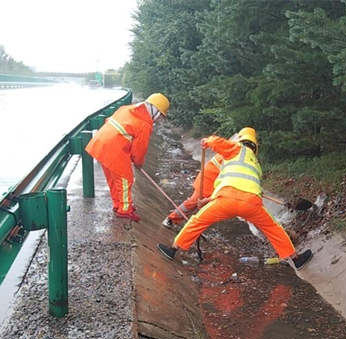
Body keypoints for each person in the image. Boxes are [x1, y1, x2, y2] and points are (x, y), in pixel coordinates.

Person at [157, 128, 314, 270]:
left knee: (197, 222)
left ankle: (173, 250)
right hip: (252, 203)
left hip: (225, 200)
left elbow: (217, 143)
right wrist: (207, 200)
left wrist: (207, 141)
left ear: (240, 140)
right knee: (274, 229)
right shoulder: (256, 164)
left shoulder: (236, 148)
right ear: (255, 147)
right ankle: (296, 259)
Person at [85, 93, 169, 221]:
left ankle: (118, 204)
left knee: (113, 179)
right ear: (155, 111)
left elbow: (109, 121)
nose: (158, 119)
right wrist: (138, 163)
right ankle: (125, 210)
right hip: (114, 149)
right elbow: (139, 149)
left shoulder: (126, 109)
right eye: (160, 116)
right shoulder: (144, 124)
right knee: (125, 179)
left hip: (100, 143)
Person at [161, 150, 224, 228]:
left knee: (205, 208)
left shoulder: (234, 151)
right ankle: (171, 219)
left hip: (217, 182)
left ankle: (194, 227)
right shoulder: (233, 153)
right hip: (208, 180)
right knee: (194, 202)